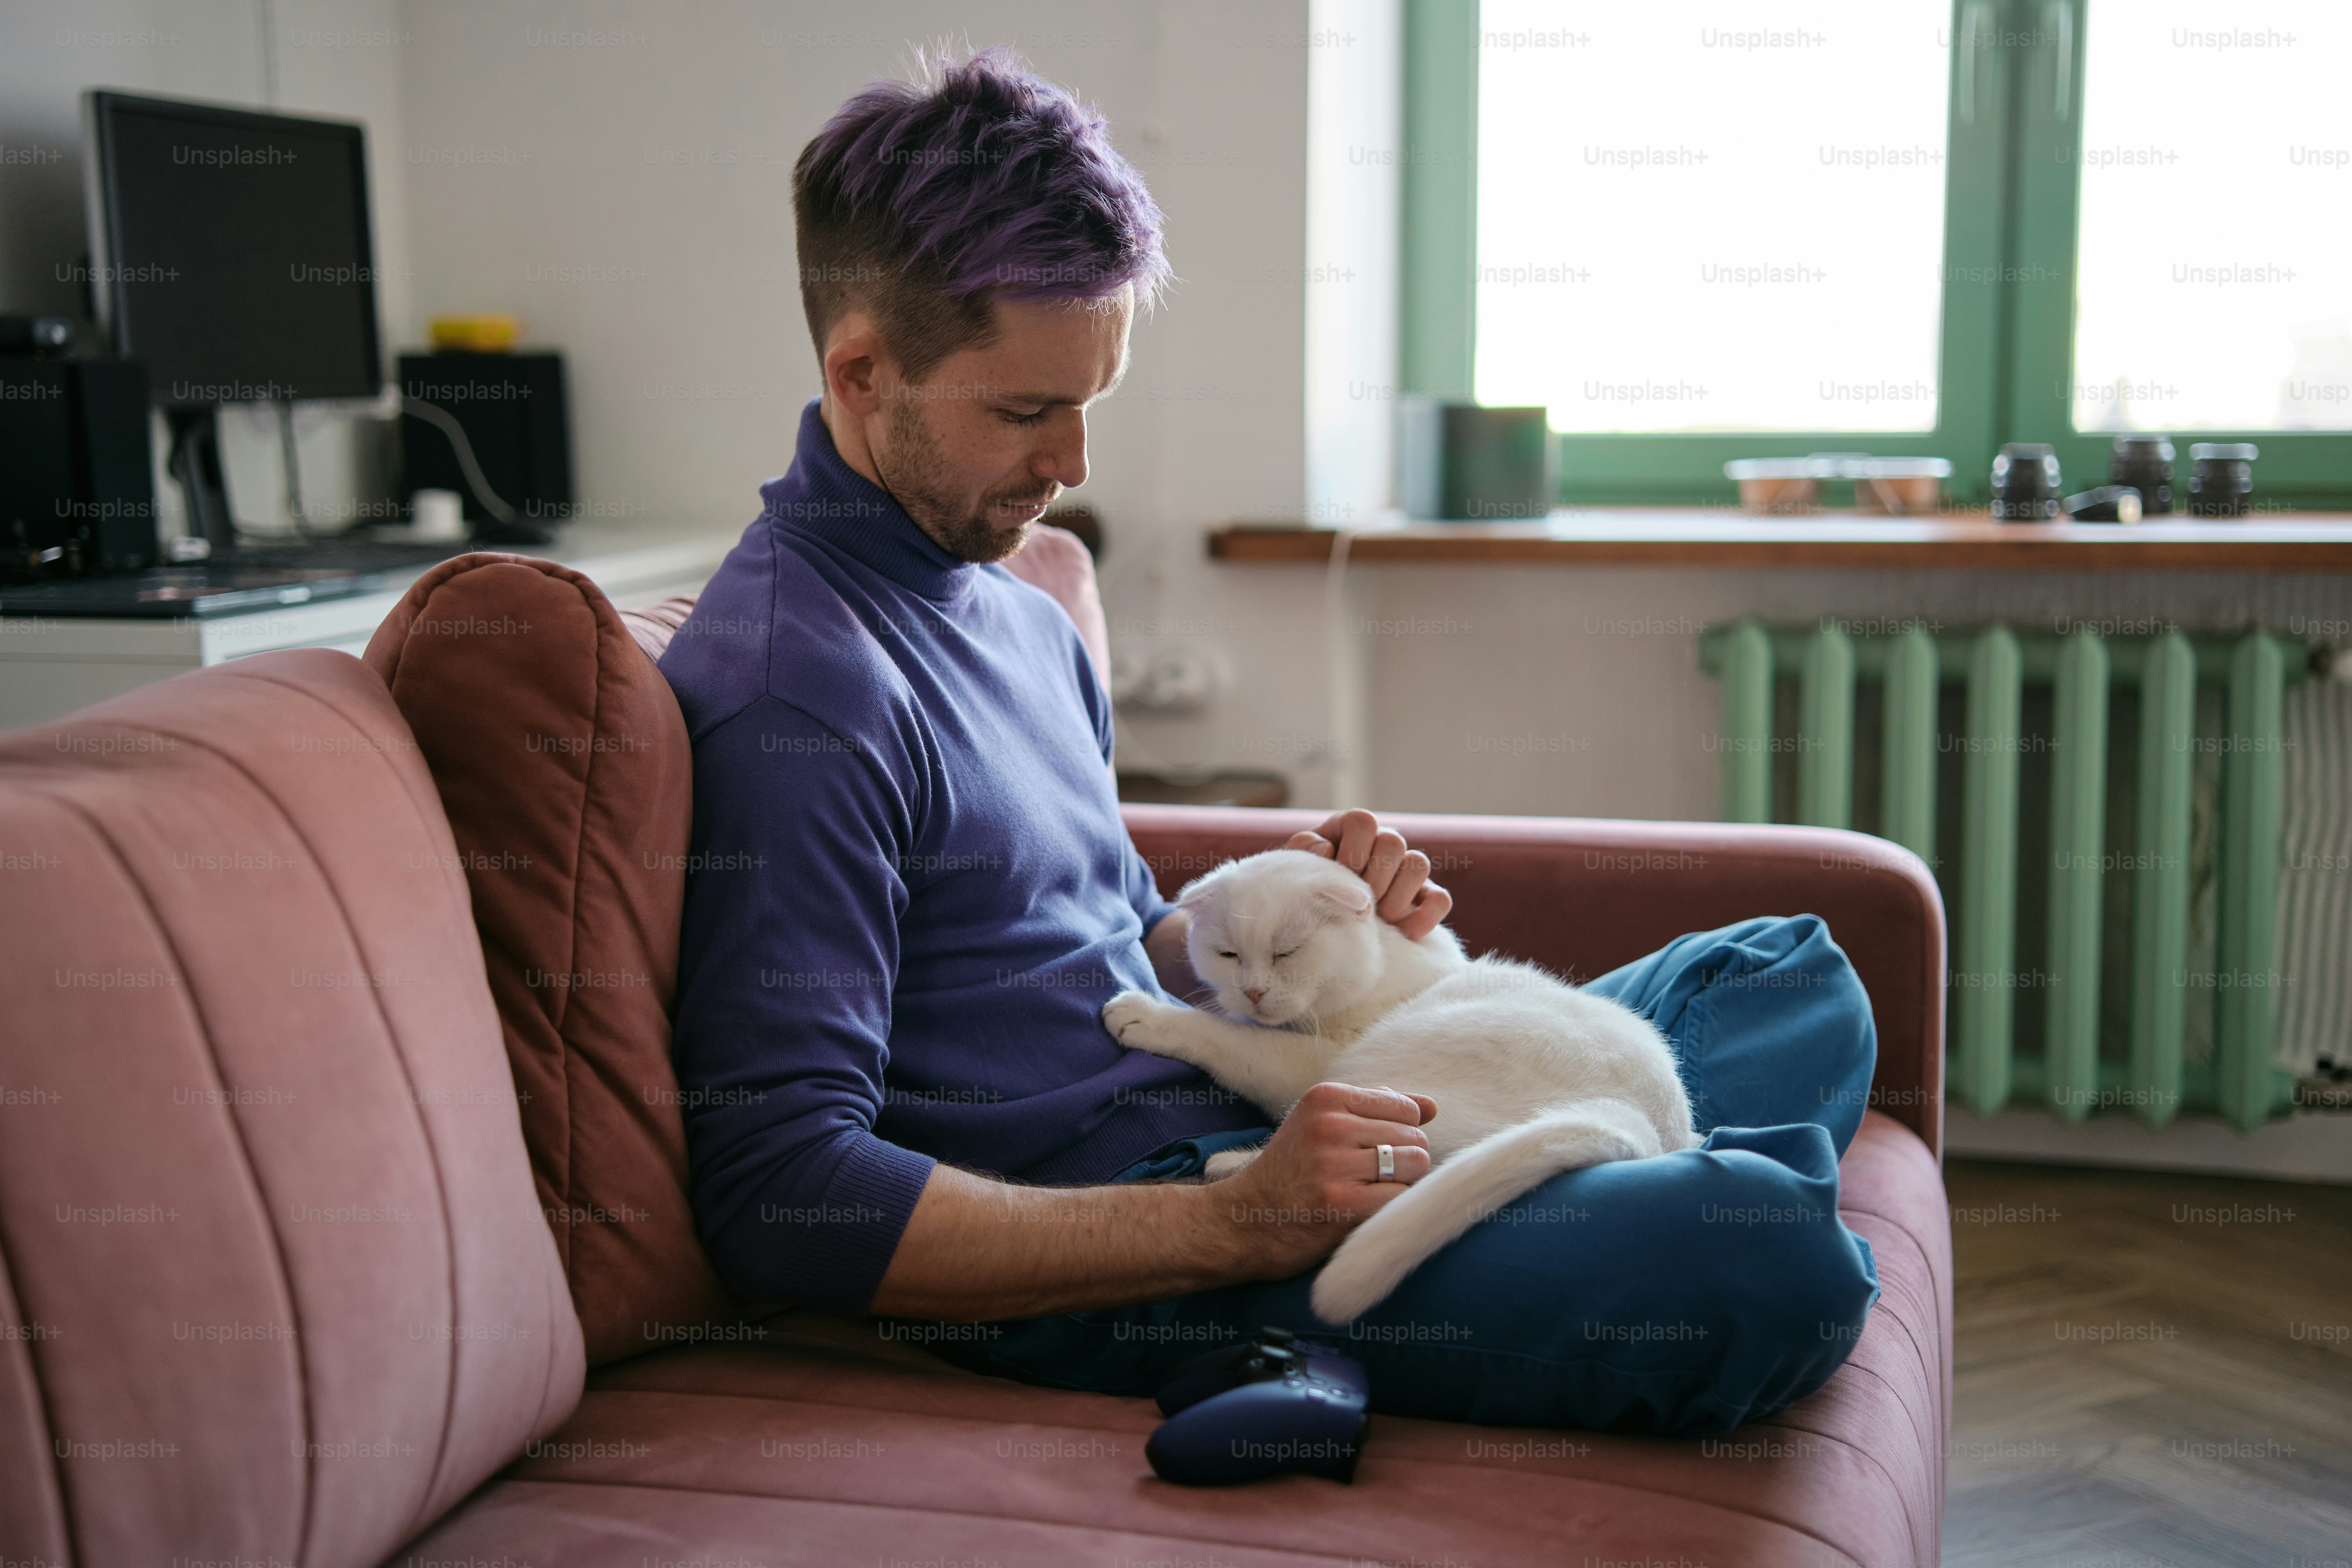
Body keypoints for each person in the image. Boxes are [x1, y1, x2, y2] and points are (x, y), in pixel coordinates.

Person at [659, 48, 1879, 1436]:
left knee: (1791, 974)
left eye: (1088, 404)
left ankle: (1584, 1180)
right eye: (1023, 411)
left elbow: (1112, 939)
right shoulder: (795, 691)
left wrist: (1264, 917)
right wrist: (1238, 1222)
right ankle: (1627, 1196)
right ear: (863, 371)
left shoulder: (1019, 605)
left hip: (1269, 1106)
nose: (1074, 463)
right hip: (1157, 1234)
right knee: (1760, 1255)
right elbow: (779, 1189)